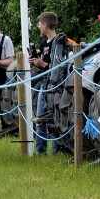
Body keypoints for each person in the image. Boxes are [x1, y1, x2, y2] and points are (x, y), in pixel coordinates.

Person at [28, 11, 72, 155]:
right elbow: (43, 65)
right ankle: (40, 151)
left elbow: (61, 67)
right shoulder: (43, 44)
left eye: (39, 24)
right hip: (44, 83)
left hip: (57, 86)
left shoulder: (60, 43)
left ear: (45, 25)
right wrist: (36, 62)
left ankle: (56, 150)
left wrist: (43, 64)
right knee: (40, 117)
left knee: (55, 118)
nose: (38, 26)